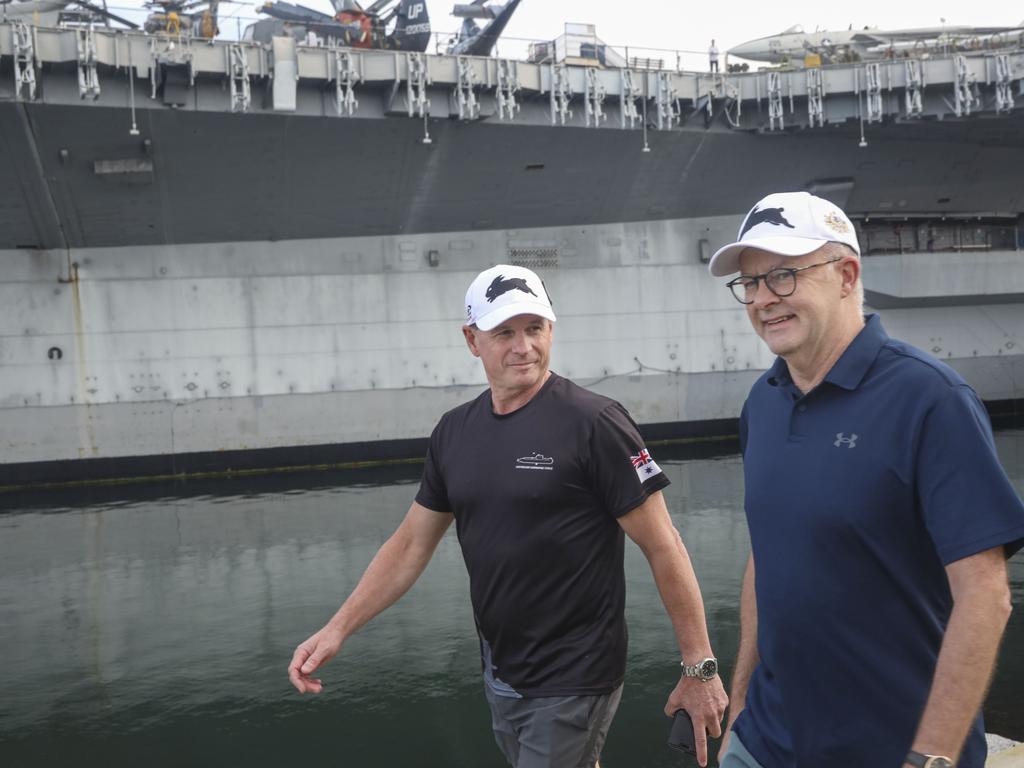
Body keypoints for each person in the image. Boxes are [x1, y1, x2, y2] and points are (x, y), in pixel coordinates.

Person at [289, 264, 728, 768]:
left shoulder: (595, 423)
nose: (523, 347)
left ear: (551, 331)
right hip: (502, 671)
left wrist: (700, 667)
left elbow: (663, 543)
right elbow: (411, 544)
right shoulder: (454, 432)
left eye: (535, 329)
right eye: (504, 333)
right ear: (472, 340)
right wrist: (337, 629)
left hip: (576, 673)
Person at [707, 191, 1024, 768]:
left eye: (782, 276)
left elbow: (986, 595)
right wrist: (740, 716)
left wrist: (930, 758)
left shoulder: (931, 399)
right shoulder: (763, 403)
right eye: (749, 284)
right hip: (765, 747)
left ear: (846, 275)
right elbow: (767, 556)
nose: (762, 300)